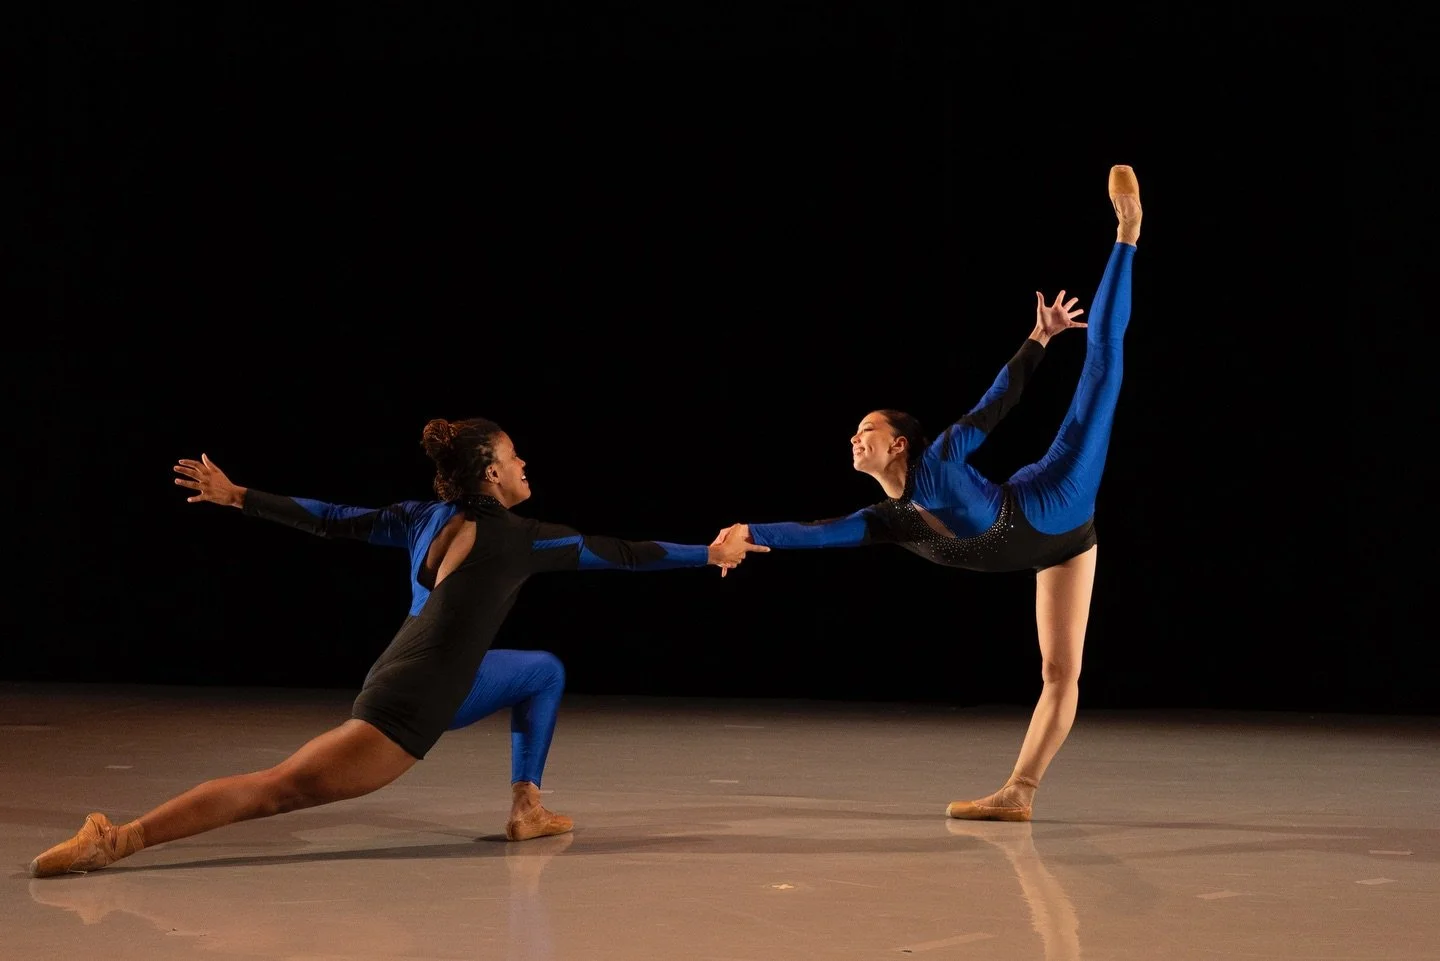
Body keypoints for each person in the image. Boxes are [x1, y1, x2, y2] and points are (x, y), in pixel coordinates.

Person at [30, 417, 769, 877]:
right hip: (408, 701)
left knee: (542, 670)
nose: (523, 466)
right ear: (489, 472)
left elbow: (330, 518)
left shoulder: (422, 516)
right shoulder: (524, 536)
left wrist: (241, 496)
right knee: (278, 788)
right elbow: (627, 553)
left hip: (435, 678)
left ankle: (527, 805)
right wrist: (708, 552)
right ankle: (115, 838)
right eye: (513, 456)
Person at [712, 165, 1142, 822]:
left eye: (868, 429)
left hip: (1056, 500)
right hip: (1058, 549)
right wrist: (751, 531)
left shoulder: (939, 459)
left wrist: (1040, 337)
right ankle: (1019, 794)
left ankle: (1128, 233)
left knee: (1102, 363)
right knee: (1060, 674)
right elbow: (819, 531)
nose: (855, 437)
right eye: (855, 431)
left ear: (900, 443)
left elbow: (997, 403)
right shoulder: (890, 519)